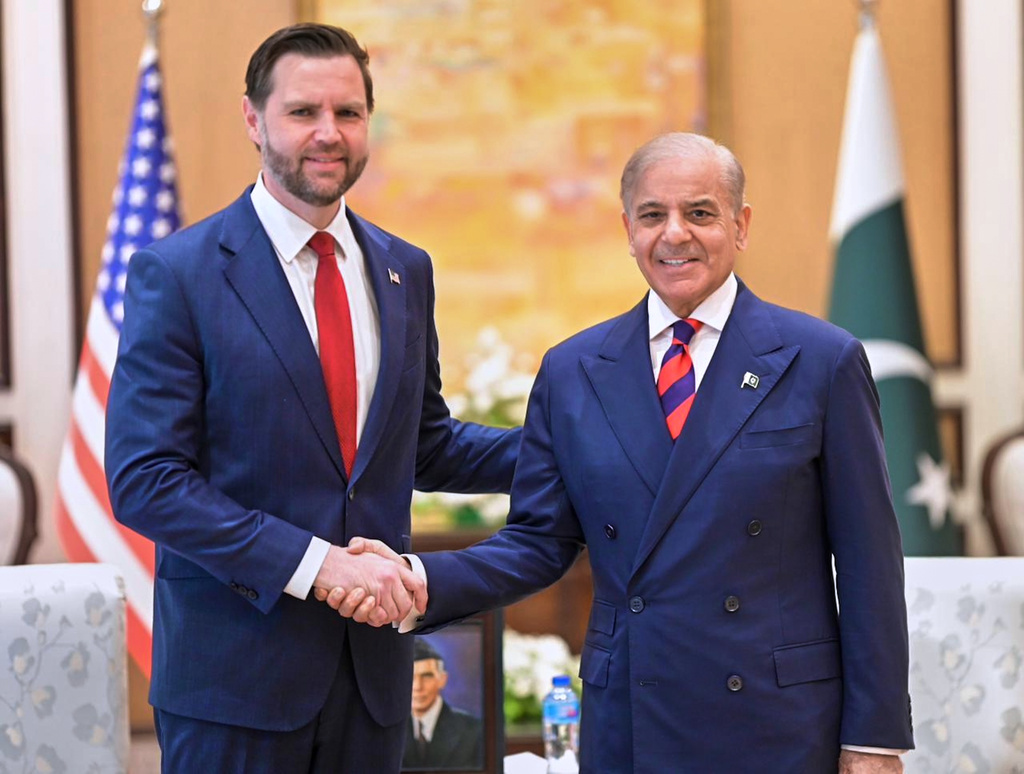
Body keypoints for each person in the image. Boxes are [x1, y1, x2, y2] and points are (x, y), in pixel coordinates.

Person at [330, 133, 914, 772]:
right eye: (652, 215)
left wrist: (874, 738)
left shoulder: (820, 361)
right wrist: (420, 579)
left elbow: (869, 567)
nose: (675, 235)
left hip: (776, 719)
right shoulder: (575, 369)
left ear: (741, 225)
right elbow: (538, 542)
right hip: (634, 717)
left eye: (700, 213)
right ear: (628, 229)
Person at [104, 23, 520, 773]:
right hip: (234, 687)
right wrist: (318, 565)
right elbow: (146, 481)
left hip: (373, 684)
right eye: (303, 112)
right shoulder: (180, 273)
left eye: (349, 113)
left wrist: (581, 446)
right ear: (253, 119)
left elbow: (422, 443)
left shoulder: (404, 270)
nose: (329, 133)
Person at [402, 637, 483, 770]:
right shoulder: (386, 730)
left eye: (427, 676)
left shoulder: (474, 731)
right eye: (409, 676)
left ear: (442, 679)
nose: (417, 686)